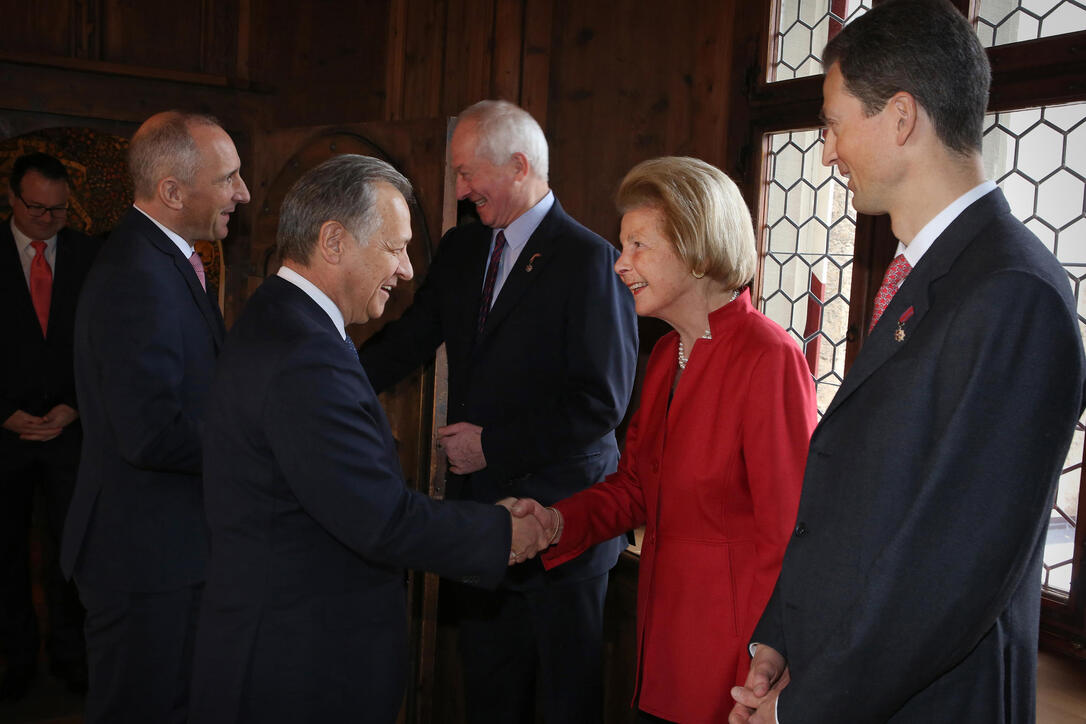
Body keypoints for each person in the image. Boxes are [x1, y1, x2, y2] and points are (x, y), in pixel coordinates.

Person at [728, 1, 1086, 722]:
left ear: (900, 117)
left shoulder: (1012, 292)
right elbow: (854, 495)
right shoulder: (928, 272)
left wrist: (803, 709)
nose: (826, 149)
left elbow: (950, 568)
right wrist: (781, 636)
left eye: (832, 122)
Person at [187, 154, 549, 723]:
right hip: (299, 671)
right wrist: (505, 530)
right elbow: (380, 520)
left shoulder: (277, 317)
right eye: (395, 247)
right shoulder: (306, 354)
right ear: (334, 241)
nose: (406, 269)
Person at [359, 99, 638, 722]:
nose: (458, 190)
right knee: (488, 697)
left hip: (563, 530)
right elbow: (409, 339)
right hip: (481, 527)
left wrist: (494, 446)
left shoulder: (589, 259)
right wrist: (330, 377)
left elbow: (601, 404)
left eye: (466, 174)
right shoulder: (463, 249)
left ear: (518, 165)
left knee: (563, 707)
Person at [512, 156, 817, 723]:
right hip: (662, 641)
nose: (619, 264)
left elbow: (792, 533)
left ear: (697, 248)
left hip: (735, 665)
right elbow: (635, 489)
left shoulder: (768, 357)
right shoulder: (663, 354)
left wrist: (769, 667)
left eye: (637, 246)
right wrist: (554, 522)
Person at [60, 111, 251, 723]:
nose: (242, 194)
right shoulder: (135, 276)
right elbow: (150, 433)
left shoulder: (165, 259)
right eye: (229, 178)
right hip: (144, 562)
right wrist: (258, 443)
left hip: (169, 552)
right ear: (172, 192)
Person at [0, 152, 98, 700]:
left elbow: (108, 344)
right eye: (36, 208)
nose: (46, 219)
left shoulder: (91, 255)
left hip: (71, 430)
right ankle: (15, 662)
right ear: (12, 198)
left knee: (71, 554)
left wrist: (77, 405)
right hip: (3, 433)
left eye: (58, 211)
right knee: (6, 554)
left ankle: (71, 658)